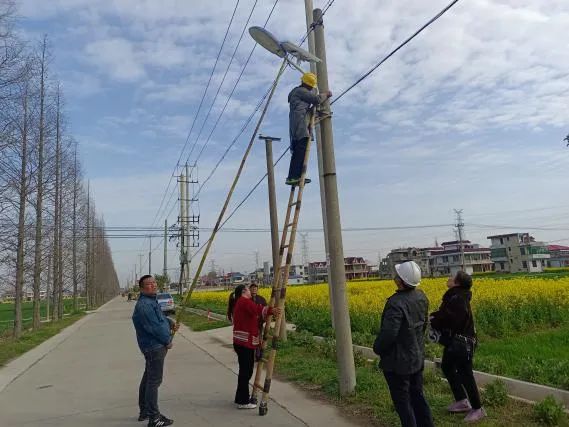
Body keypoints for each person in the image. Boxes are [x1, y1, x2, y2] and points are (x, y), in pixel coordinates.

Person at [373, 261, 434, 427]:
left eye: (397, 275)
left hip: (398, 362)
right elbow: (423, 325)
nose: (395, 276)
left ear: (400, 280)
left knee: (403, 402)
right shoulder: (421, 296)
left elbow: (389, 334)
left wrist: (377, 348)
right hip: (416, 356)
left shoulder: (395, 303)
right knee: (418, 396)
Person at [430, 271, 486, 423]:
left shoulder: (458, 298)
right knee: (447, 367)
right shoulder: (455, 296)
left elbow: (453, 319)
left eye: (452, 278)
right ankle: (462, 401)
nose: (449, 278)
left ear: (457, 283)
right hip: (454, 342)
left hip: (461, 343)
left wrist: (435, 321)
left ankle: (478, 408)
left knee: (465, 373)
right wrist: (435, 316)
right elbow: (446, 314)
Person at [132, 274, 178, 427]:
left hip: (154, 346)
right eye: (149, 283)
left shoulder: (152, 301)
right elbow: (154, 327)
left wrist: (170, 322)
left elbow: (160, 318)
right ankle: (154, 418)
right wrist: (167, 340)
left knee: (148, 378)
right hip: (154, 347)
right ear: (142, 287)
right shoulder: (144, 305)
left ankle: (145, 411)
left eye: (154, 282)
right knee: (154, 381)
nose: (153, 285)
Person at [232, 284, 279, 409]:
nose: (251, 291)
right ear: (244, 291)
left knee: (245, 371)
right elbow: (257, 309)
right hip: (244, 343)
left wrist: (268, 311)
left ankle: (241, 398)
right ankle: (242, 401)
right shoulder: (244, 301)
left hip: (241, 342)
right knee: (246, 372)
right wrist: (271, 310)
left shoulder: (240, 302)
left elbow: (256, 312)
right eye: (248, 289)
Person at [286, 72, 332, 186]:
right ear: (305, 84)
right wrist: (326, 94)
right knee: (300, 150)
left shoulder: (298, 92)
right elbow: (316, 99)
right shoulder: (301, 91)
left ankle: (296, 176)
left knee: (300, 150)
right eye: (310, 86)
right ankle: (293, 176)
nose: (311, 87)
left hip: (298, 122)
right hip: (300, 123)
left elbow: (310, 103)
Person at [249, 283, 267, 361]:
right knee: (250, 340)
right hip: (249, 323)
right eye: (252, 289)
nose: (254, 290)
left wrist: (265, 319)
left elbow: (265, 310)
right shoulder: (247, 299)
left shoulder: (261, 299)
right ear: (250, 289)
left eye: (255, 289)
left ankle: (258, 355)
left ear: (257, 290)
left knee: (259, 338)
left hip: (259, 323)